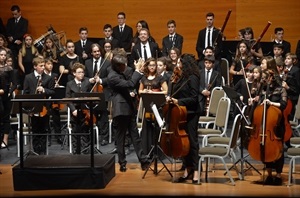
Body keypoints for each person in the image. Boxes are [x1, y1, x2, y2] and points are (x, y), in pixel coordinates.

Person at [107, 54, 150, 172]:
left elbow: (130, 80)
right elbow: (130, 83)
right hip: (120, 109)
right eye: (123, 65)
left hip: (129, 107)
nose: (125, 66)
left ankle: (143, 161)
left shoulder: (119, 73)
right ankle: (122, 163)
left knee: (135, 136)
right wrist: (137, 71)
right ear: (117, 66)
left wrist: (138, 69)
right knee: (121, 137)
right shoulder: (112, 77)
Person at [165, 53, 200, 183]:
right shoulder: (181, 77)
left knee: (192, 141)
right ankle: (187, 169)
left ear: (186, 64)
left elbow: (194, 98)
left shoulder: (193, 77)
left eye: (180, 63)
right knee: (183, 143)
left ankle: (196, 171)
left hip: (191, 113)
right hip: (181, 114)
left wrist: (178, 101)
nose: (177, 65)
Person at [255, 57, 287, 186]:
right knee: (265, 147)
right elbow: (258, 102)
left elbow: (283, 104)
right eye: (264, 79)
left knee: (278, 149)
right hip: (265, 122)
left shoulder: (281, 89)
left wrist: (271, 102)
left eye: (266, 78)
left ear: (272, 78)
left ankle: (278, 175)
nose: (264, 80)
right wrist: (257, 100)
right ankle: (268, 174)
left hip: (277, 123)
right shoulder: (263, 88)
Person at [65, 62, 100, 154]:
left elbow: (91, 94)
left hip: (85, 111)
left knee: (85, 130)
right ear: (74, 73)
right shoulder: (69, 84)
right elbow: (68, 99)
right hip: (75, 111)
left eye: (82, 72)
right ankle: (76, 150)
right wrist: (73, 110)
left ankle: (86, 149)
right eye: (79, 72)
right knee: (76, 131)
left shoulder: (87, 81)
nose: (81, 74)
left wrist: (94, 80)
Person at [23, 56, 55, 155]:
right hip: (33, 108)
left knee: (43, 130)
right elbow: (26, 93)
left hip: (44, 108)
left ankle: (43, 152)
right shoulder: (28, 77)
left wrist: (44, 90)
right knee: (35, 131)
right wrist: (29, 109)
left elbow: (53, 91)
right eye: (41, 66)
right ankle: (36, 151)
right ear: (35, 66)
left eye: (43, 65)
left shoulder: (48, 78)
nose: (43, 67)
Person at [138, 58, 168, 155]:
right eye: (150, 65)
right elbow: (139, 91)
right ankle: (147, 151)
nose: (152, 67)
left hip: (157, 106)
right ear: (147, 66)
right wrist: (145, 91)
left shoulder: (160, 78)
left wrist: (154, 92)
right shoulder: (144, 78)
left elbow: (166, 91)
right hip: (147, 106)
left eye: (154, 65)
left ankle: (157, 152)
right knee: (147, 127)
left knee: (156, 127)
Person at [84, 43, 112, 146]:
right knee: (92, 114)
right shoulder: (87, 63)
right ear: (91, 53)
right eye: (95, 51)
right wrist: (90, 80)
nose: (97, 53)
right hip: (91, 91)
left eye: (98, 51)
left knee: (103, 115)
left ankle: (104, 137)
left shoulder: (107, 63)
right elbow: (84, 77)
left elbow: (109, 78)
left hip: (103, 92)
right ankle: (93, 137)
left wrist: (100, 80)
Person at [43, 58, 63, 146]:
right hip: (46, 100)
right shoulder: (43, 76)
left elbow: (58, 89)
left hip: (54, 100)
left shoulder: (55, 75)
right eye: (48, 64)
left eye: (51, 64)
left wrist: (57, 86)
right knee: (46, 119)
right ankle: (48, 138)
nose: (50, 66)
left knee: (56, 118)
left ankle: (58, 136)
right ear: (44, 65)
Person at [0, 48, 16, 148]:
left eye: (4, 55)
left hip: (6, 96)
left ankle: (5, 140)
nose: (3, 57)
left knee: (6, 118)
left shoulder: (9, 68)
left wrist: (9, 92)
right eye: (1, 55)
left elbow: (14, 83)